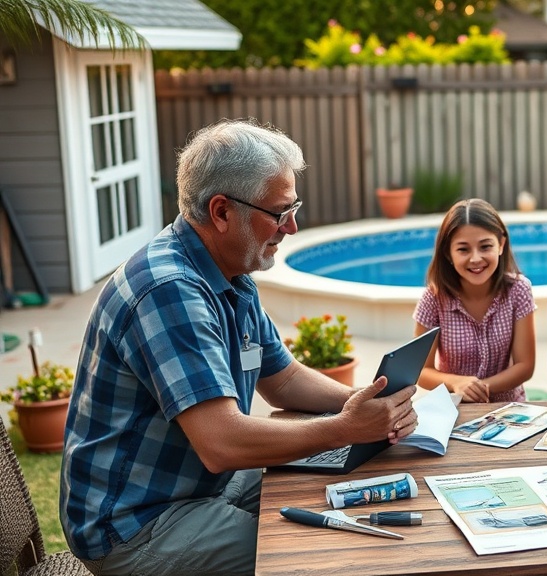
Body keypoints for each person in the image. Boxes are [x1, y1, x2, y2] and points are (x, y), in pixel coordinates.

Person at [60, 119, 418, 576]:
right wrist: (346, 428)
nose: (292, 226)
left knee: (339, 492)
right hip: (136, 524)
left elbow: (283, 379)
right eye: (279, 211)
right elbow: (222, 443)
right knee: (322, 554)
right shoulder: (170, 290)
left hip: (198, 487)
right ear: (222, 212)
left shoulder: (230, 271)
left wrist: (365, 402)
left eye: (294, 207)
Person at [413, 198, 536, 403]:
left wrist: (480, 388)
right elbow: (421, 371)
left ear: (501, 244)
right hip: (455, 409)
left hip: (509, 409)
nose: (476, 258)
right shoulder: (433, 299)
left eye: (485, 246)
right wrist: (456, 384)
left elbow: (525, 366)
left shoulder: (519, 290)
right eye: (463, 249)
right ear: (448, 253)